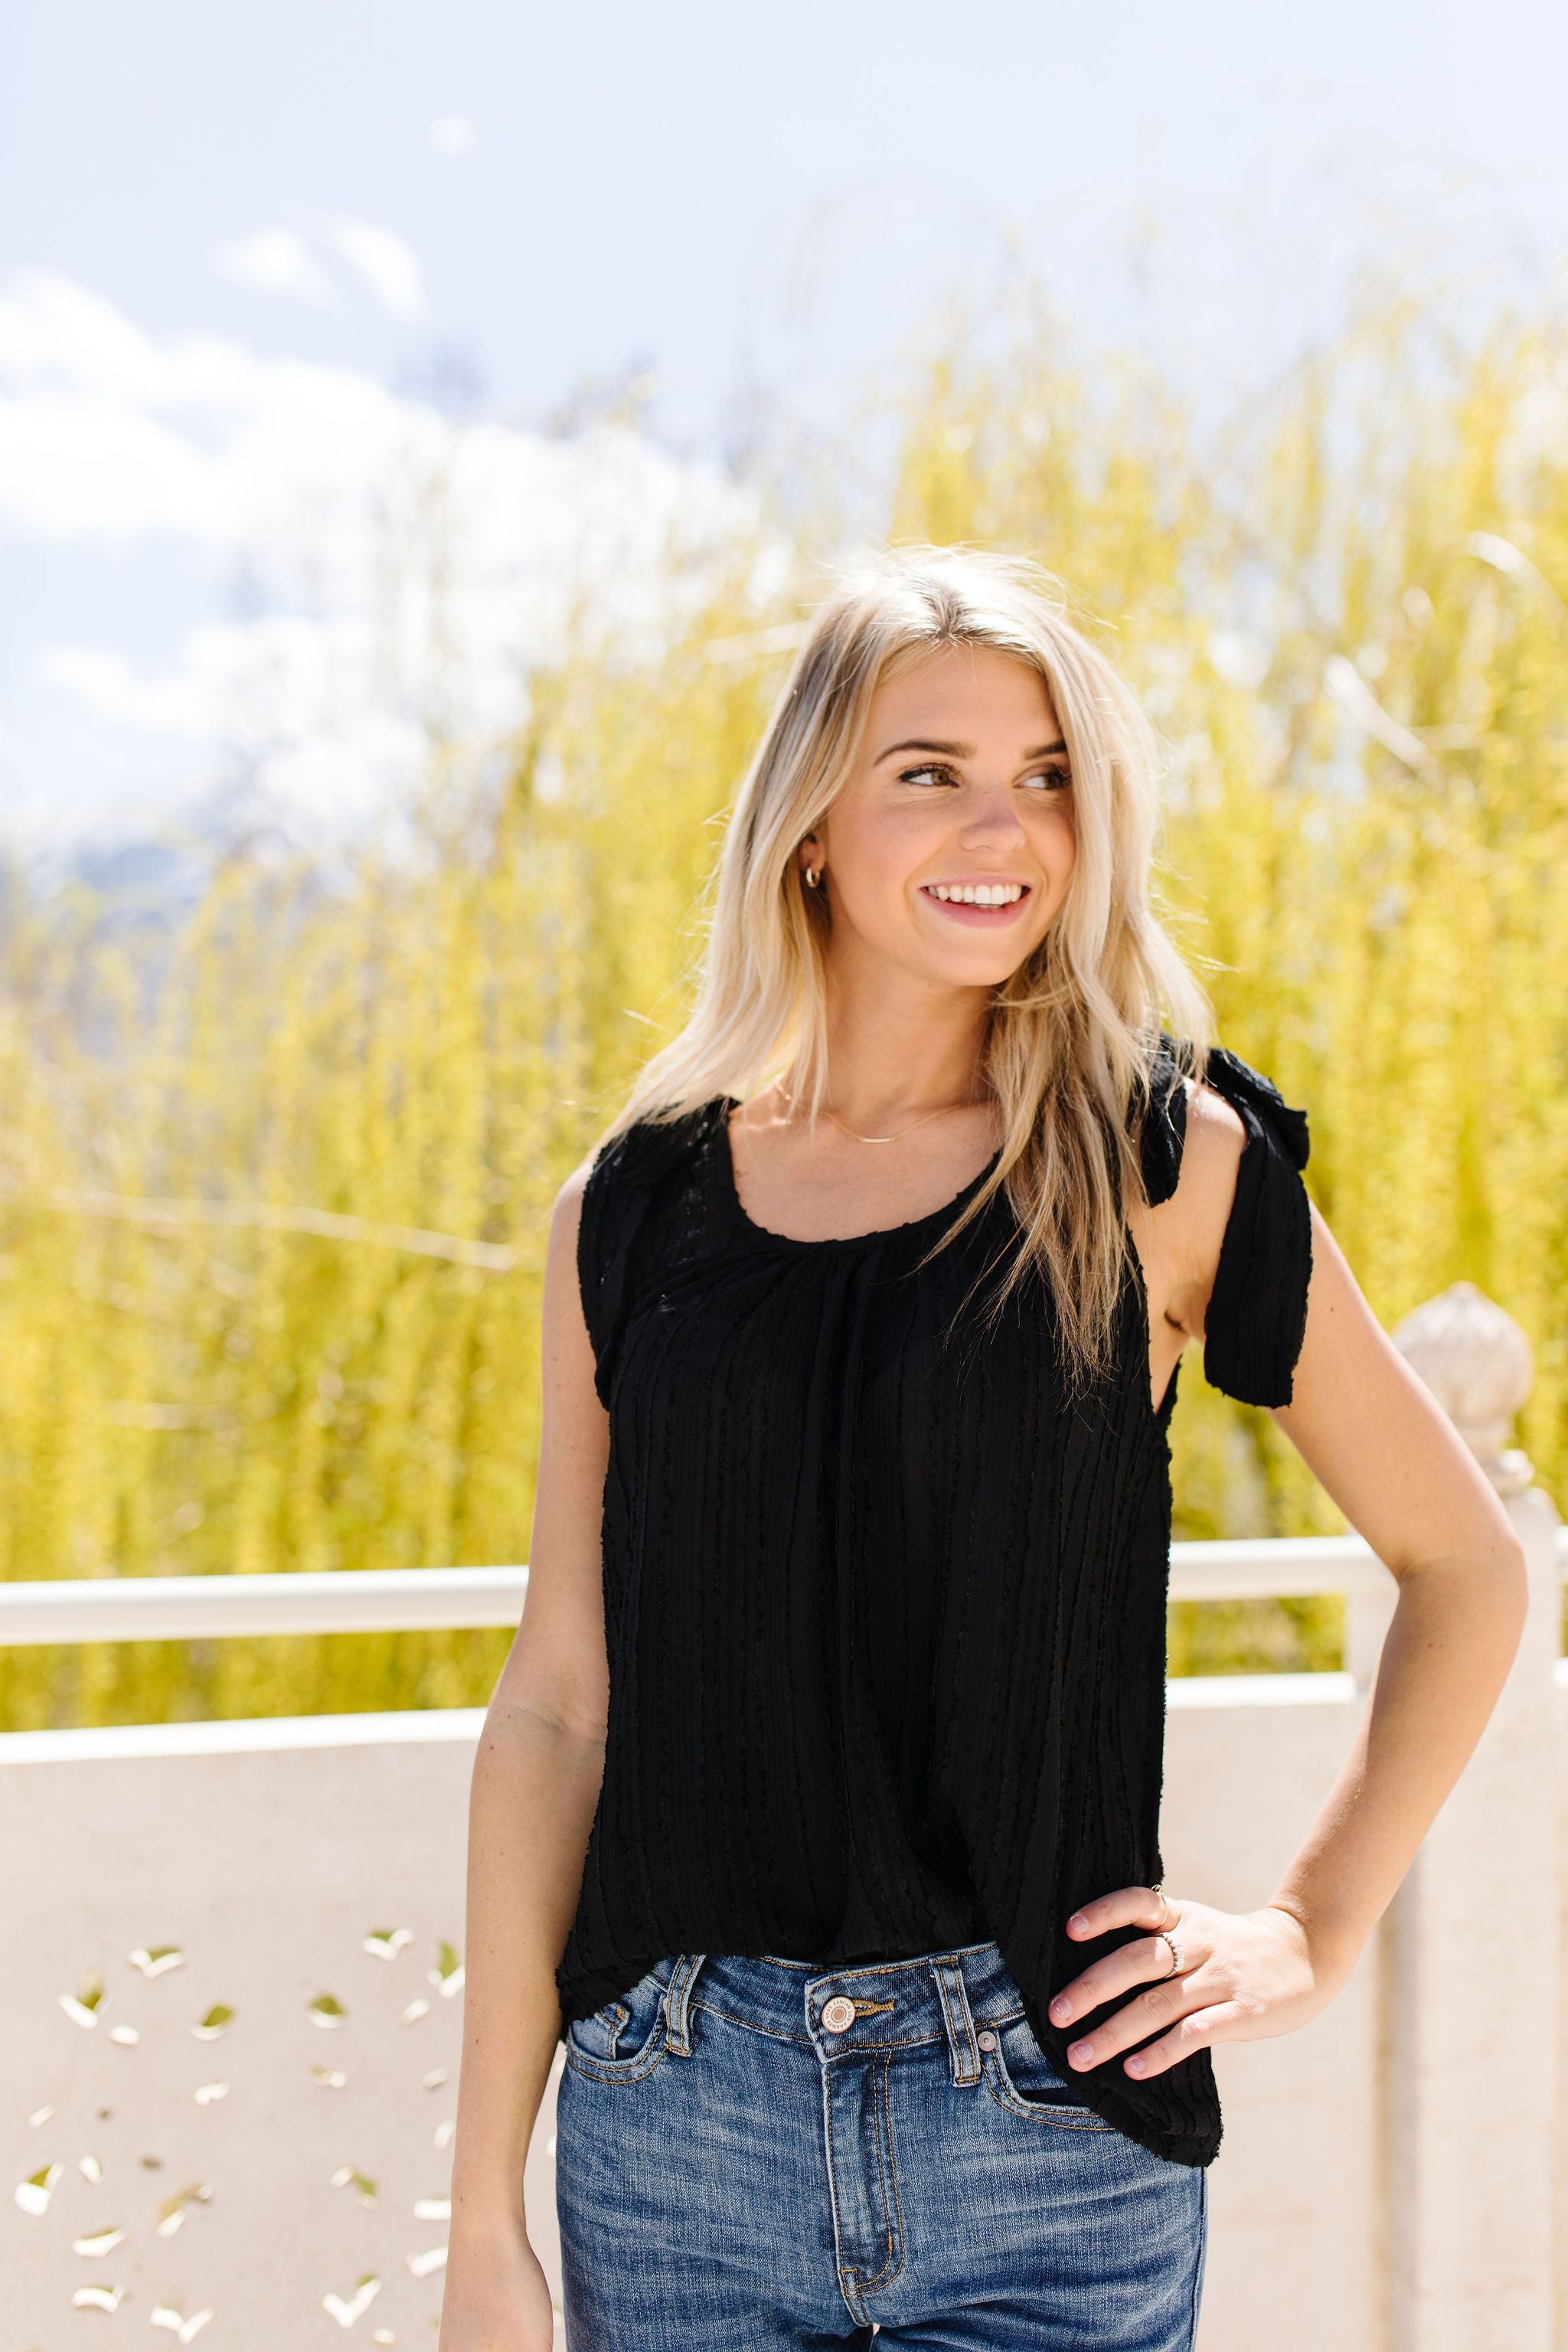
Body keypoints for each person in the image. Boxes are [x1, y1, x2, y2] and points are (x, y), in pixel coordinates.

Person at [439, 546, 1527, 2351]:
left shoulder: (1160, 1164)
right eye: (927, 770)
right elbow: (560, 1702)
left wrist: (1311, 1927)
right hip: (673, 2124)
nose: (1000, 826)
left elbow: (1467, 1566)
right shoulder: (627, 1217)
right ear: (808, 826)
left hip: (1043, 2123)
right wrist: (483, 2208)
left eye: (1046, 779)